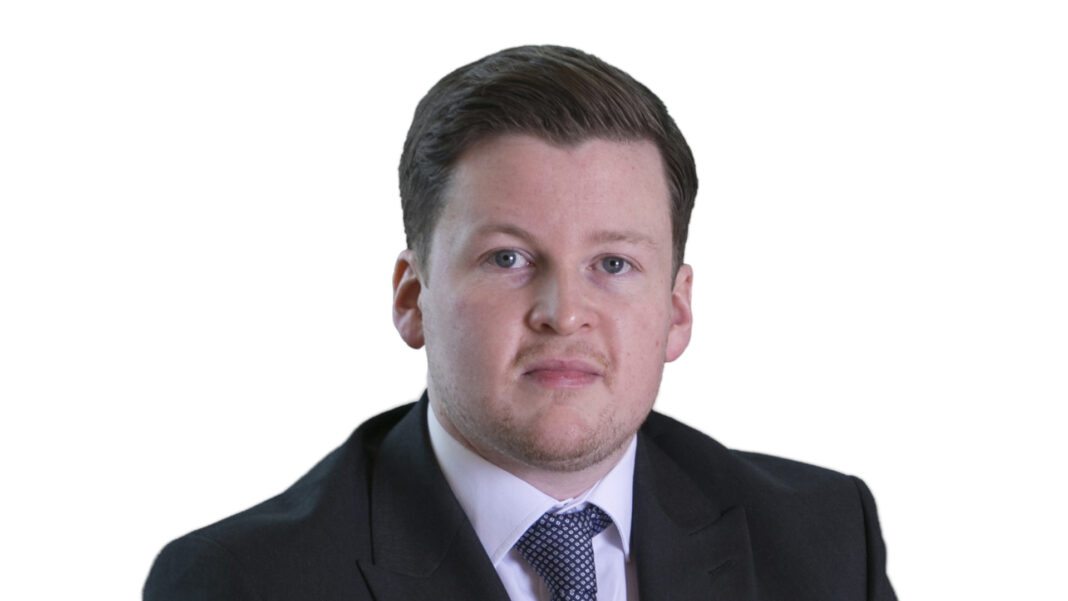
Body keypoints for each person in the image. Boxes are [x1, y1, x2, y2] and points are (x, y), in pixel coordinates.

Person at [144, 45, 896, 601]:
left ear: (676, 310)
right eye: (507, 258)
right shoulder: (237, 583)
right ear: (411, 297)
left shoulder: (825, 541)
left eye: (613, 264)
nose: (563, 314)